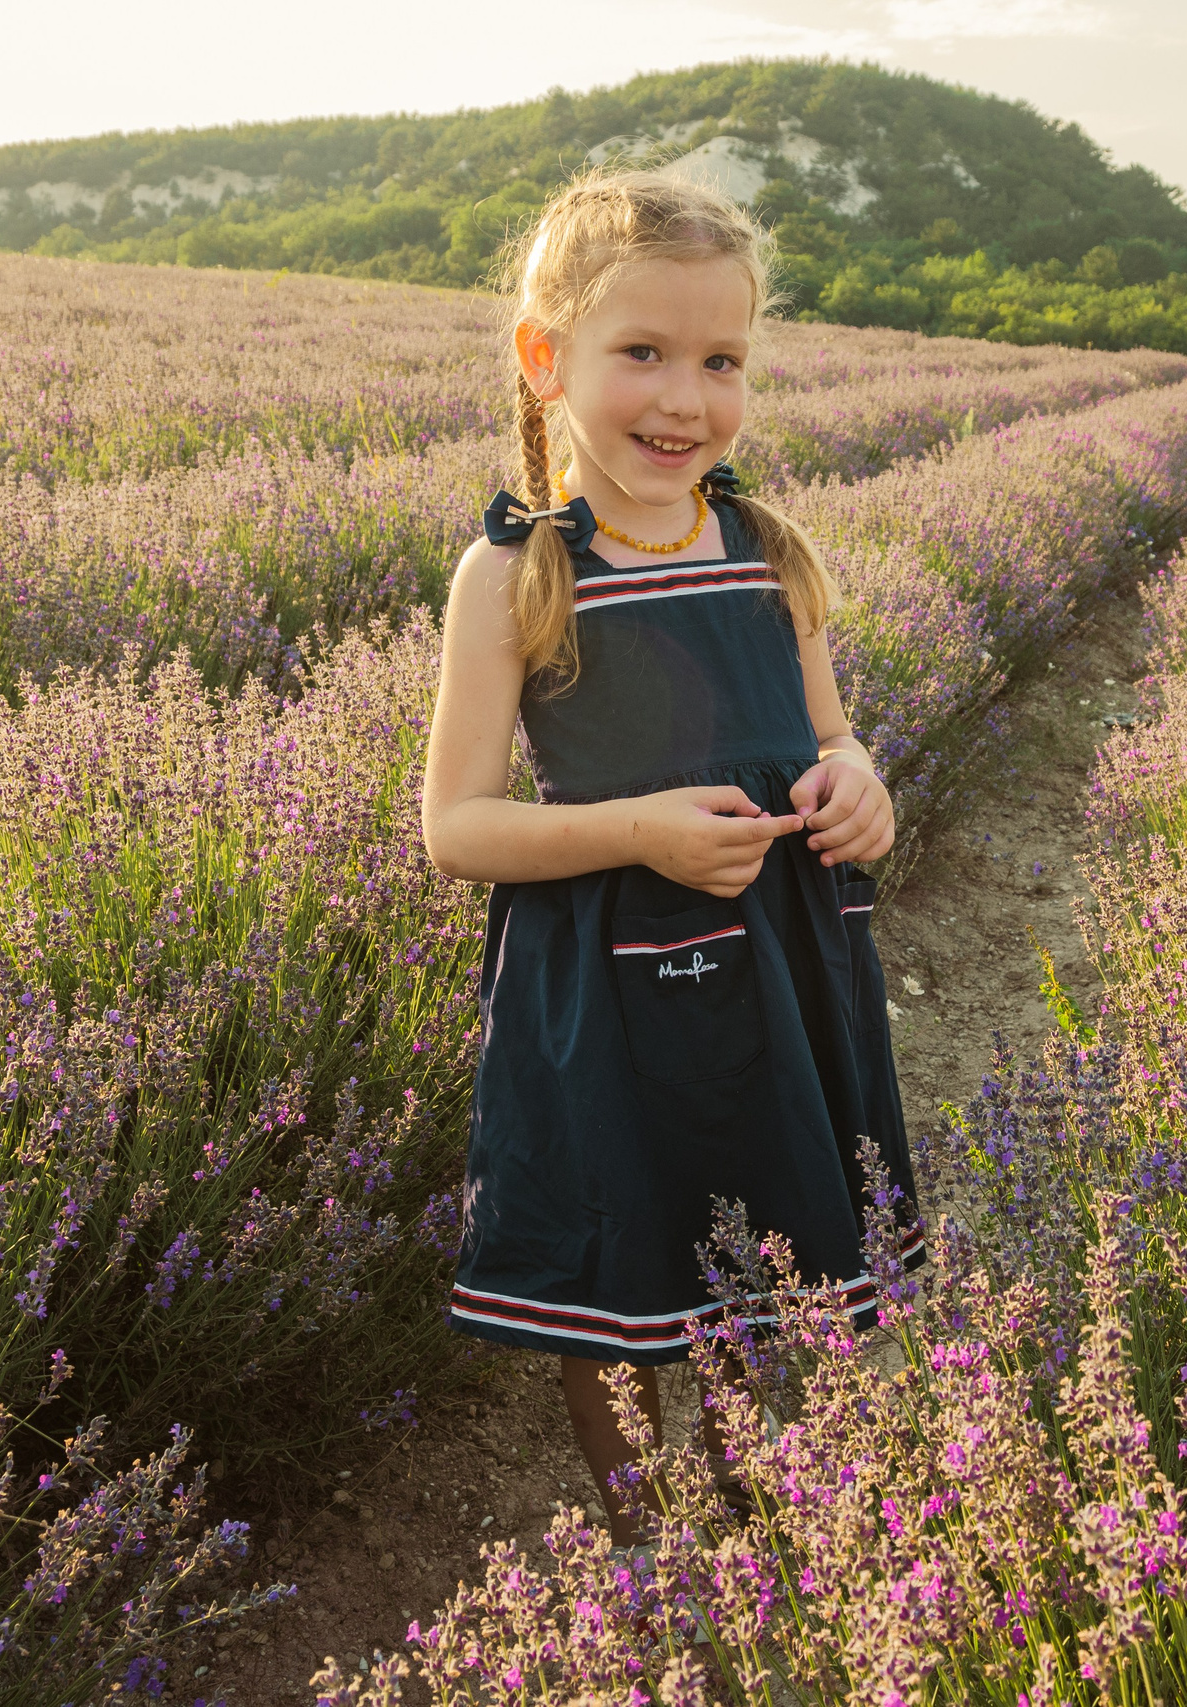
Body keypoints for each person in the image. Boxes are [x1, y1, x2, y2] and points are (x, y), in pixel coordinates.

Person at [419, 170, 920, 1541]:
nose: (683, 400)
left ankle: (770, 1535)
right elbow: (455, 827)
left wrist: (858, 779)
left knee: (787, 1262)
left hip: (782, 968)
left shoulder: (767, 548)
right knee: (622, 1275)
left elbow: (831, 732)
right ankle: (647, 1543)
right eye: (640, 353)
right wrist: (636, 831)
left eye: (720, 361)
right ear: (546, 361)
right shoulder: (517, 574)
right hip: (610, 994)